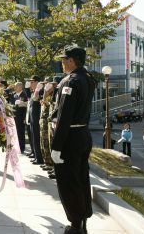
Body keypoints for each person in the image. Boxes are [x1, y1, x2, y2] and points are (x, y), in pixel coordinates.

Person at [50, 46, 96, 234]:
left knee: (68, 182)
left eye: (64, 59)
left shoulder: (70, 81)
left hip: (69, 138)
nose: (62, 63)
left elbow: (64, 116)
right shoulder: (88, 78)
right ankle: (83, 219)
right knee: (81, 179)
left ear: (72, 61)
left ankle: (75, 224)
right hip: (83, 135)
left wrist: (56, 146)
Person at [27, 75, 44, 164]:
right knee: (34, 137)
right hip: (33, 119)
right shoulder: (34, 91)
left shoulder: (40, 90)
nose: (30, 83)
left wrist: (37, 89)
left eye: (32, 82)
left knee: (37, 138)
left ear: (37, 82)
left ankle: (40, 158)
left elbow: (36, 98)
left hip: (37, 119)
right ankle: (36, 156)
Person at [39, 76, 54, 173]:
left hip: (49, 122)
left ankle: (51, 165)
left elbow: (49, 104)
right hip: (44, 122)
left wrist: (46, 94)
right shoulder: (47, 94)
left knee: (49, 144)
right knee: (44, 143)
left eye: (47, 84)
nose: (45, 86)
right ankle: (47, 162)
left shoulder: (53, 94)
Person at [11, 82, 28, 153]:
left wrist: (25, 118)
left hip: (21, 117)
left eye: (16, 86)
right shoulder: (14, 95)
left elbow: (26, 107)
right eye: (14, 86)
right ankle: (16, 147)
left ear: (20, 87)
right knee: (16, 133)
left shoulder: (24, 95)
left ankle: (22, 148)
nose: (14, 88)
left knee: (21, 133)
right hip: (15, 117)